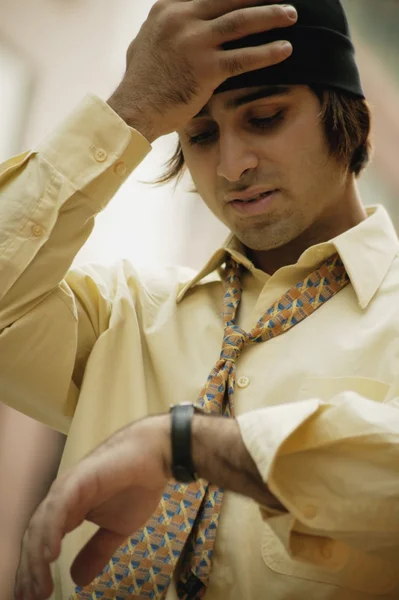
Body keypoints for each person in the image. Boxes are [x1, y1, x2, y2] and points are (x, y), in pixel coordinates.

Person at [3, 0, 399, 598]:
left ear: (354, 122)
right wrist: (129, 112)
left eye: (264, 117)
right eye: (202, 135)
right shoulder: (125, 315)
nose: (233, 166)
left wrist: (188, 445)